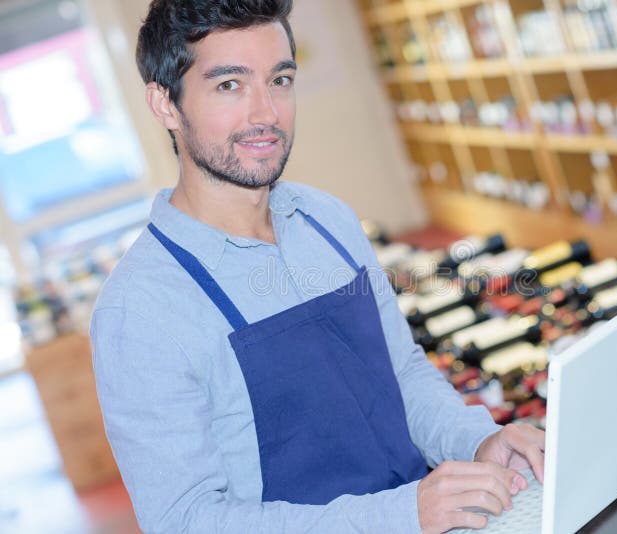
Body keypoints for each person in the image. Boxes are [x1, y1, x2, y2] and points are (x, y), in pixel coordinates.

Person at [90, 1, 545, 532]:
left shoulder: (327, 220)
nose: (266, 113)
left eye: (279, 79)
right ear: (165, 102)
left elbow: (401, 374)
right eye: (229, 85)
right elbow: (188, 520)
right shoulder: (139, 309)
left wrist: (477, 439)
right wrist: (398, 513)